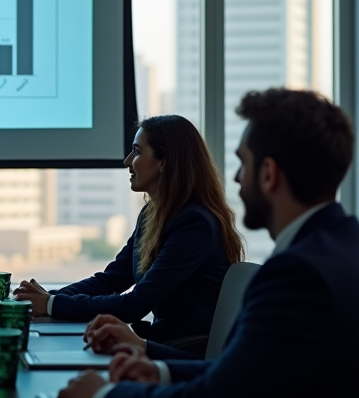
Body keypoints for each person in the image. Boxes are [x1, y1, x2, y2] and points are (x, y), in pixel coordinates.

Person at [58, 89, 359, 398]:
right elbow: (243, 376)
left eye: (242, 164)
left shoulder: (298, 275)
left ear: (268, 174)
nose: (234, 177)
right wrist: (161, 371)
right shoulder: (340, 250)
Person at [16, 115, 243, 356]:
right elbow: (111, 279)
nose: (127, 161)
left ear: (163, 162)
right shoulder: (153, 214)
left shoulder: (194, 224)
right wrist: (49, 298)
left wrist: (51, 305)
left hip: (184, 356)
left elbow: (134, 305)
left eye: (136, 152)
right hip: (160, 346)